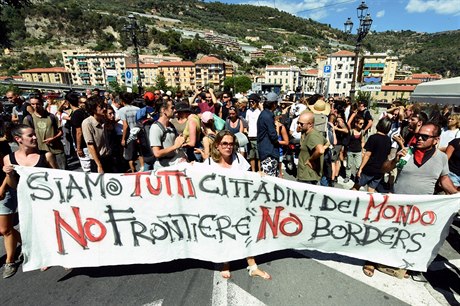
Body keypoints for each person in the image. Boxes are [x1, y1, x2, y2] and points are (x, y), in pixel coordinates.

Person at [364, 122, 459, 279]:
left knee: (408, 237)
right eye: (418, 135)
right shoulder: (407, 151)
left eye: (425, 136)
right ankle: (371, 260)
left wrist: (455, 194)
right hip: (396, 204)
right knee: (384, 232)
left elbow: (444, 180)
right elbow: (384, 169)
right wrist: (395, 160)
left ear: (436, 139)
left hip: (419, 210)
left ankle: (400, 265)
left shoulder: (441, 158)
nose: (419, 138)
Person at [204, 130, 271, 280]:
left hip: (240, 204)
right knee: (224, 233)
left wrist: (258, 175)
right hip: (219, 206)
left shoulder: (239, 159)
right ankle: (226, 263)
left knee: (246, 232)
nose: (228, 147)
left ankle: (252, 266)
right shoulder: (209, 162)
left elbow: (249, 177)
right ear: (217, 145)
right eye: (225, 143)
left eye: (231, 144)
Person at [3, 124, 58, 274]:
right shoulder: (9, 159)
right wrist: (8, 174)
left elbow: (60, 178)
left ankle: (61, 255)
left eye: (34, 134)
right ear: (18, 139)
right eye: (30, 135)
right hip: (27, 202)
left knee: (54, 227)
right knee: (36, 229)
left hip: (49, 200)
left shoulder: (46, 156)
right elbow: (14, 186)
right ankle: (44, 257)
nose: (35, 138)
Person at [23, 92, 66, 170]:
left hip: (56, 151)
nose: (35, 106)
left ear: (42, 103)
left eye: (37, 104)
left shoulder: (52, 117)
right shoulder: (28, 119)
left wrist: (53, 138)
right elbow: (26, 136)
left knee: (62, 173)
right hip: (41, 153)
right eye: (33, 104)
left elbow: (61, 132)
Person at [351, 118, 392, 192]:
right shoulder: (388, 140)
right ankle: (369, 203)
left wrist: (360, 168)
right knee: (371, 190)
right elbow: (387, 155)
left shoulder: (373, 138)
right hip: (379, 170)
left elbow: (367, 155)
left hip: (369, 168)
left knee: (356, 187)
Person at [149, 100, 186, 170]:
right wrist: (175, 146)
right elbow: (157, 153)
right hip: (163, 168)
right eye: (172, 108)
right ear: (164, 110)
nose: (175, 110)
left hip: (174, 163)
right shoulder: (155, 128)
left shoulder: (171, 125)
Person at [82, 97, 112, 173]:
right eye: (101, 107)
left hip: (107, 157)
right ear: (93, 109)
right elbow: (90, 146)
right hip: (97, 160)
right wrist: (99, 165)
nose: (104, 109)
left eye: (104, 106)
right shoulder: (87, 123)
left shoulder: (103, 120)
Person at [296, 112, 327, 185]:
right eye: (298, 123)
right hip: (305, 175)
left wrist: (310, 160)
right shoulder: (308, 133)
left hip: (308, 176)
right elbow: (326, 143)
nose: (299, 125)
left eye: (301, 124)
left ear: (310, 124)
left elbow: (320, 150)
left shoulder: (313, 136)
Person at [257, 92, 280, 177]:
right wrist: (277, 127)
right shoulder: (268, 116)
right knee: (269, 179)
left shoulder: (263, 114)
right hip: (269, 152)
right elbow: (273, 135)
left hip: (264, 150)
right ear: (274, 104)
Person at [344, 116, 365, 183]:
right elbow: (347, 141)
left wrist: (362, 151)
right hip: (350, 150)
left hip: (358, 151)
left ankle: (357, 177)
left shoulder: (362, 132)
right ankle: (348, 176)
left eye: (363, 123)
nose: (362, 125)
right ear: (356, 124)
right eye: (360, 123)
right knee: (349, 165)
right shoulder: (351, 131)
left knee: (358, 165)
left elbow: (362, 141)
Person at [245, 94, 261, 172]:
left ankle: (259, 170)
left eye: (253, 102)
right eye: (250, 102)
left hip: (258, 136)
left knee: (258, 156)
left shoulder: (260, 112)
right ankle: (253, 170)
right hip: (250, 136)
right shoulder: (248, 111)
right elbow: (246, 123)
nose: (251, 103)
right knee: (251, 156)